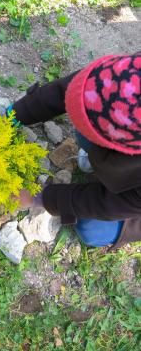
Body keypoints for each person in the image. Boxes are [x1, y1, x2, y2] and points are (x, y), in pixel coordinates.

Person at [9, 52, 141, 248]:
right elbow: (70, 90)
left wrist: (41, 198)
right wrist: (12, 115)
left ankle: (117, 172)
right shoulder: (124, 77)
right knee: (84, 130)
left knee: (92, 230)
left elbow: (105, 205)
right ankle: (111, 166)